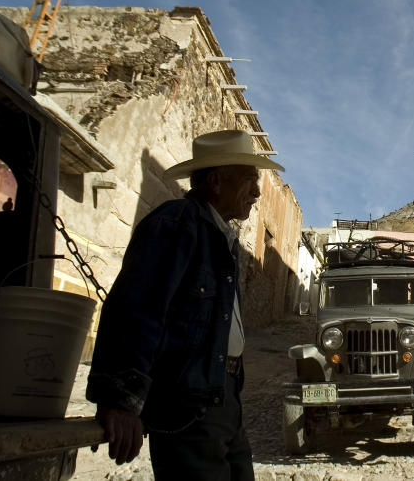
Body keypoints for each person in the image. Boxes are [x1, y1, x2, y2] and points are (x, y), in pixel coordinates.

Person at [86, 129, 284, 480]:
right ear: (217, 181)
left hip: (225, 398)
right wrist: (121, 401)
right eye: (250, 179)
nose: (256, 191)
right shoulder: (176, 224)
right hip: (188, 403)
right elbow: (136, 311)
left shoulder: (223, 238)